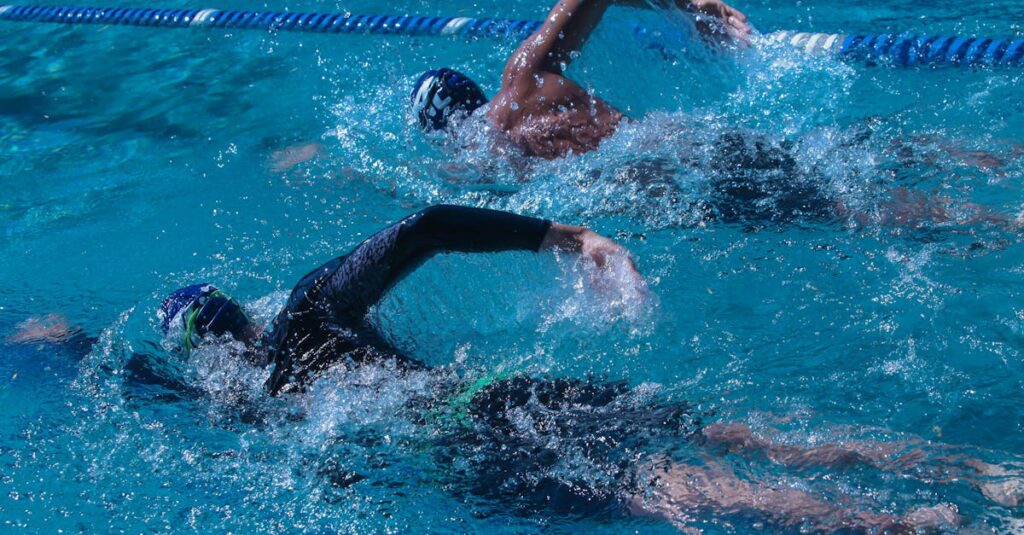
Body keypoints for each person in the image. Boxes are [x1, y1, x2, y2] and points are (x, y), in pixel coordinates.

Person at [157, 204, 1022, 532]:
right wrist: (567, 236)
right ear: (248, 310)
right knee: (724, 432)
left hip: (476, 442)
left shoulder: (253, 409)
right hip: (500, 394)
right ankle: (984, 473)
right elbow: (422, 226)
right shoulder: (308, 309)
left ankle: (924, 527)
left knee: (672, 487)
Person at [410, 0, 749, 160]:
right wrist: (691, 7)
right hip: (699, 149)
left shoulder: (475, 169)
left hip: (679, 195)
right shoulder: (524, 78)